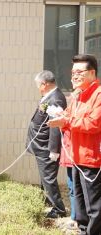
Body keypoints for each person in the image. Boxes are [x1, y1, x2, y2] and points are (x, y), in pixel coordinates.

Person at [48, 54, 101, 235]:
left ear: (92, 73)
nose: (74, 77)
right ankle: (83, 230)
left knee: (93, 205)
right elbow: (69, 117)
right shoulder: (78, 95)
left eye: (79, 72)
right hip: (77, 157)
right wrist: (61, 118)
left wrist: (67, 121)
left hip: (92, 158)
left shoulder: (98, 94)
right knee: (79, 201)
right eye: (72, 73)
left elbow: (94, 123)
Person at [26, 70, 67, 218]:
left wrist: (54, 150)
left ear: (45, 84)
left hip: (46, 147)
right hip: (40, 145)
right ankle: (48, 200)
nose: (38, 88)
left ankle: (59, 209)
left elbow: (56, 126)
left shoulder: (56, 99)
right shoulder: (49, 96)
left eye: (38, 85)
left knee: (48, 177)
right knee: (44, 176)